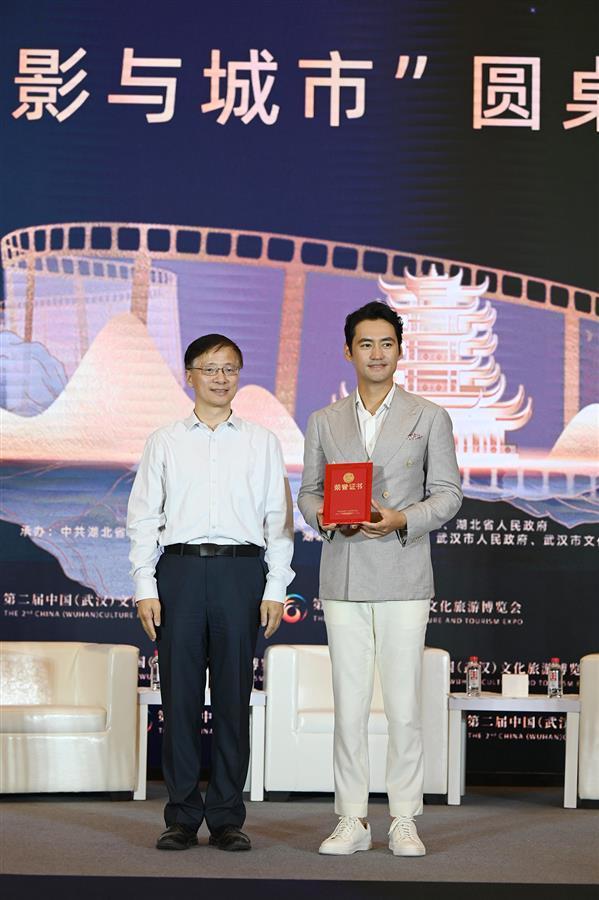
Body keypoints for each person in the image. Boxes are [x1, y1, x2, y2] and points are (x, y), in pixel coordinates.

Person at [298, 301, 462, 857]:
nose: (376, 353)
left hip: (403, 572)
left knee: (403, 707)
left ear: (400, 350)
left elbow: (449, 494)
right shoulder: (325, 420)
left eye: (386, 343)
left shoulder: (429, 416)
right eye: (365, 344)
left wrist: (401, 519)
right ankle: (351, 819)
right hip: (344, 575)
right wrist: (324, 516)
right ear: (348, 351)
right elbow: (309, 492)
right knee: (348, 706)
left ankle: (404, 819)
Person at [127, 334, 294, 852]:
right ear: (190, 376)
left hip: (240, 574)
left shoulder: (262, 441)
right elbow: (143, 519)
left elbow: (279, 521)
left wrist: (275, 587)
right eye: (210, 368)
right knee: (178, 700)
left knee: (232, 699)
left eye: (230, 369)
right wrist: (145, 585)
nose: (221, 378)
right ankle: (180, 816)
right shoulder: (164, 441)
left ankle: (225, 817)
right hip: (178, 572)